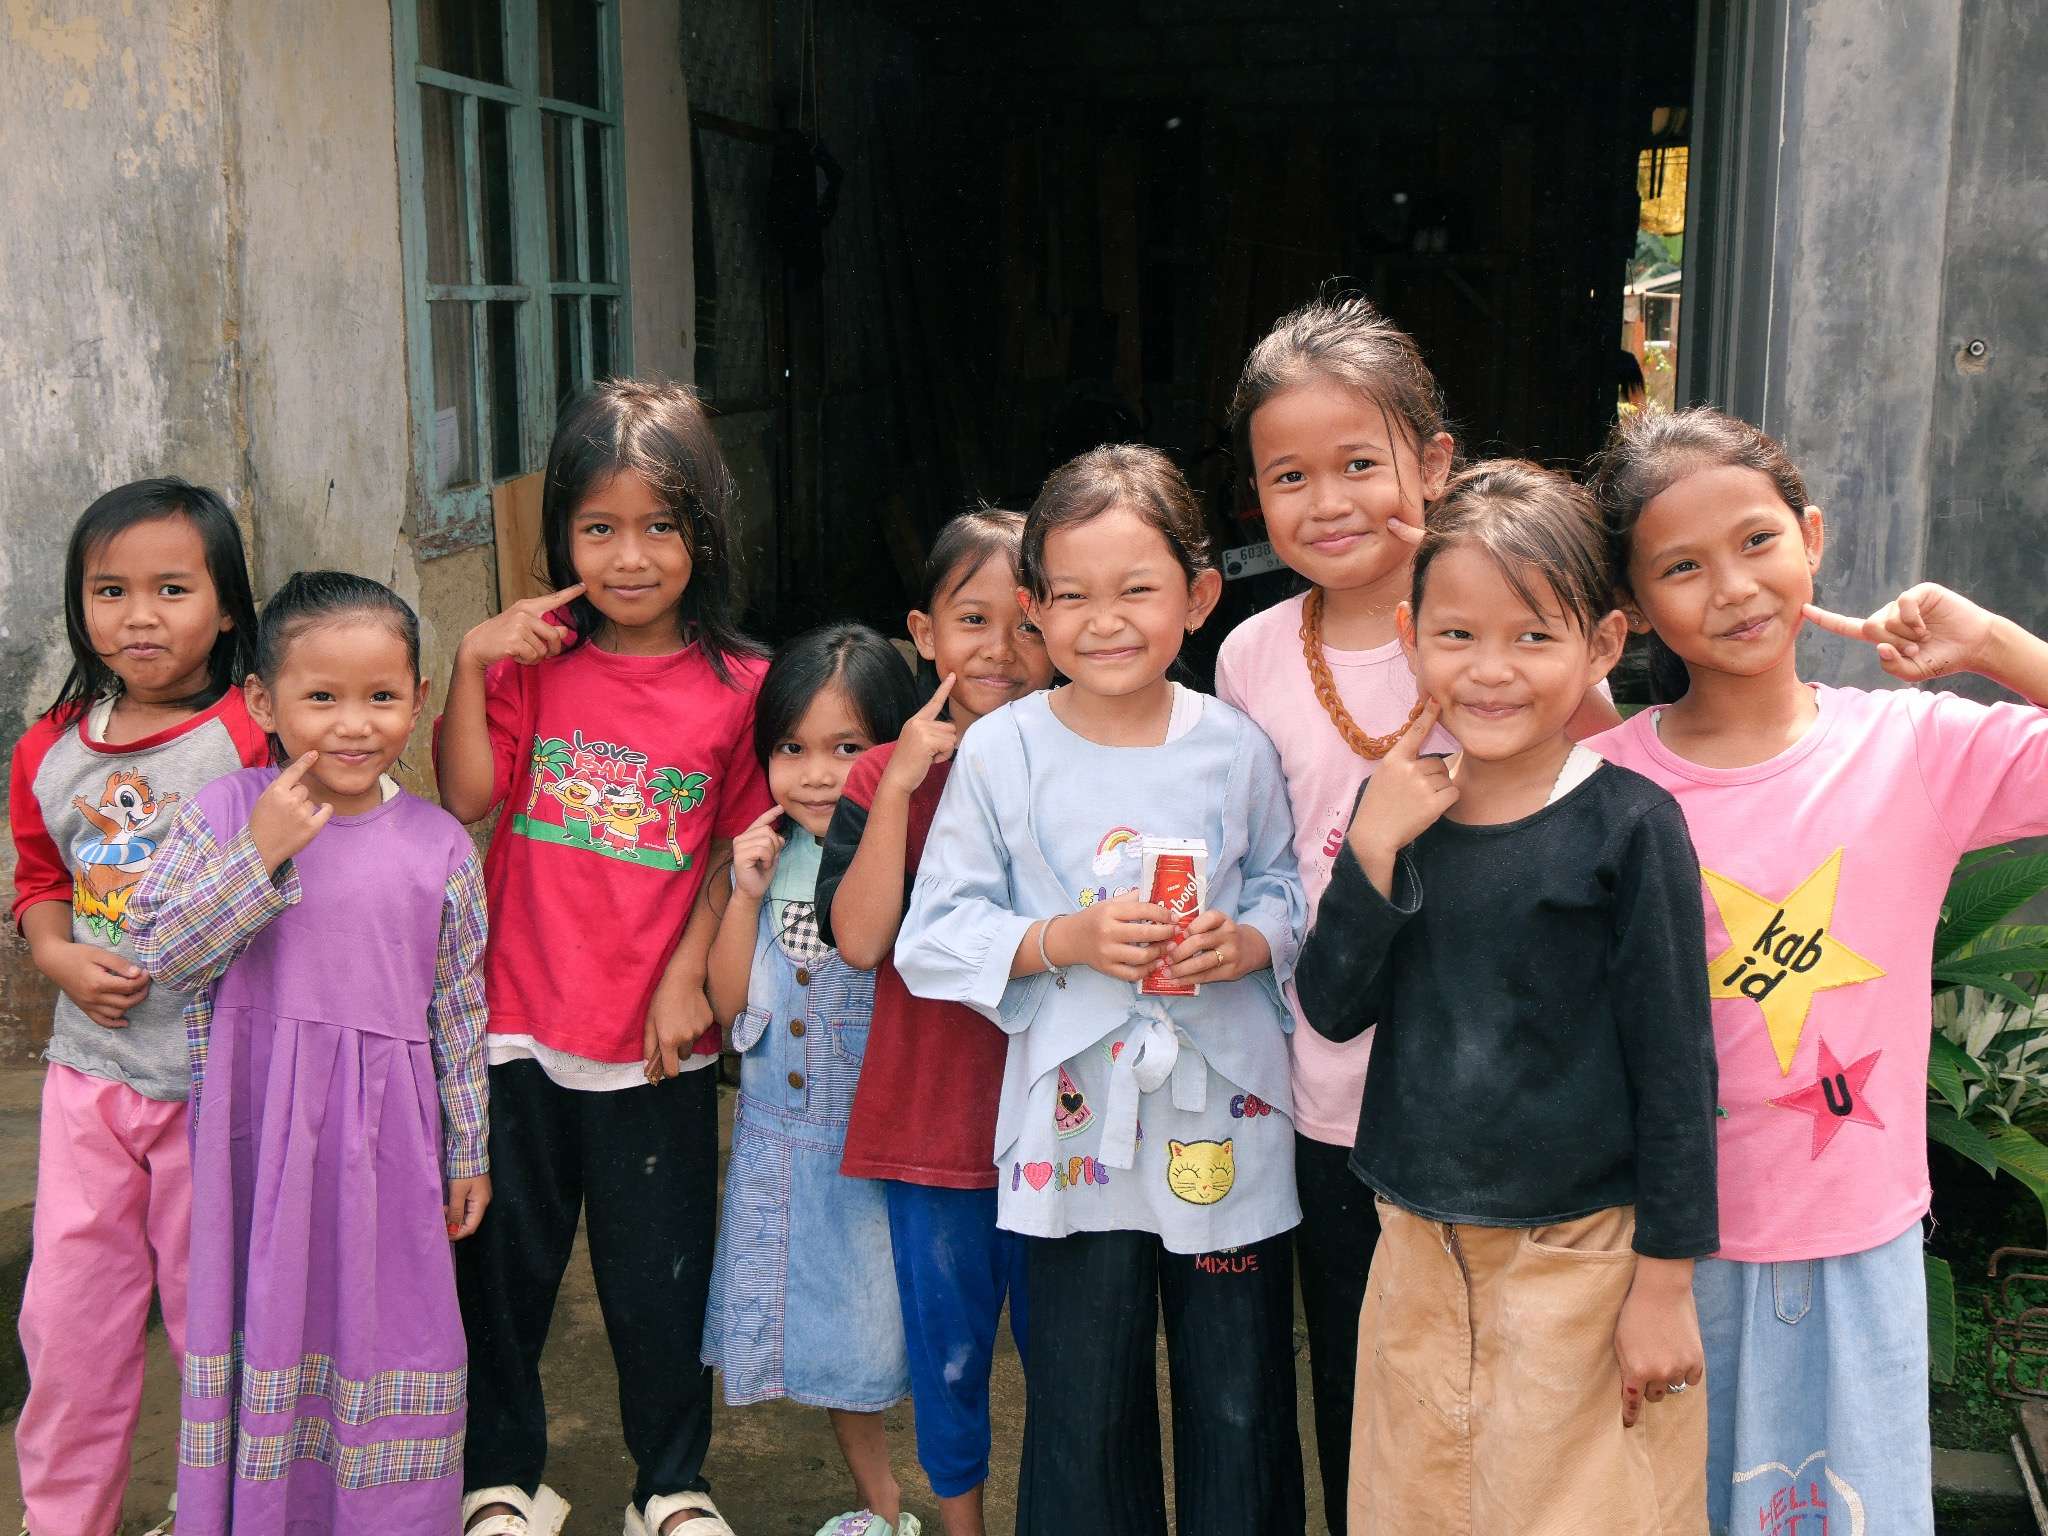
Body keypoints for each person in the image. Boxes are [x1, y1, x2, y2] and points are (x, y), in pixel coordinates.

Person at [1588, 407, 2048, 1536]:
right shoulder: (1597, 783)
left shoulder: (1914, 748)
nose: (1733, 587)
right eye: (1680, 568)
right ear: (1637, 607)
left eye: (1755, 541)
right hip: (1654, 1258)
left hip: (1855, 1244)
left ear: (1812, 535)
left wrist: (1988, 640)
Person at [1213, 294, 1618, 1528]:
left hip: (1499, 1081)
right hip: (1327, 1082)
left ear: (1433, 465)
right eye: (1288, 475)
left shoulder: (1502, 635)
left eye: (1356, 463)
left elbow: (1606, 790)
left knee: (1515, 1389)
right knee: (1362, 1376)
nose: (1325, 502)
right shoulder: (1246, 655)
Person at [1295, 460, 1719, 1535]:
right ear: (1409, 634)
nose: (1491, 671)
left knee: (1573, 1510)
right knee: (1414, 1501)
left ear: (1602, 646)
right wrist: (1373, 846)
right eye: (1457, 635)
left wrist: (1662, 1286)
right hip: (1417, 1243)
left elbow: (1675, 1067)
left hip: (1577, 1259)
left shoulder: (1628, 825)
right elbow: (1331, 1007)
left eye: (1533, 637)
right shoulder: (1396, 809)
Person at [896, 445, 1308, 1535]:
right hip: (1068, 1126)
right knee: (1081, 1397)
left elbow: (1284, 884)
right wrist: (1059, 939)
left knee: (1236, 1391)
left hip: (1220, 1116)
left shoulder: (1231, 747)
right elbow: (931, 934)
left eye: (1137, 590)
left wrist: (1250, 943)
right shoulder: (1003, 755)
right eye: (1070, 596)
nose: (1104, 620)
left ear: (1198, 597)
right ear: (1033, 610)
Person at [437, 380, 771, 1536]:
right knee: (503, 1273)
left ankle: (670, 1486)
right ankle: (502, 1480)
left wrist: (687, 973)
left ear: (704, 534)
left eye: (659, 527)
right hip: (515, 1020)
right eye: (599, 528)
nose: (629, 557)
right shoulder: (531, 662)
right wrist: (470, 661)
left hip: (649, 1040)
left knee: (658, 1282)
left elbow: (742, 845)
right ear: (560, 537)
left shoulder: (742, 688)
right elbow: (468, 795)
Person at [127, 572, 489, 1534]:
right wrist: (261, 851)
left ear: (419, 701)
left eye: (381, 696)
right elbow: (164, 955)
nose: (353, 724)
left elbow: (458, 1013)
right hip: (257, 1137)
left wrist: (470, 1151)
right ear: (263, 704)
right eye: (320, 697)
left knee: (384, 1326)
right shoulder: (221, 812)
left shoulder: (441, 846)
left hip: (390, 1149)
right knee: (266, 1321)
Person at [8, 478, 265, 1536]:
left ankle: (221, 1515)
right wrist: (58, 957)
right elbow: (38, 884)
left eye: (171, 587)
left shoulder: (256, 734)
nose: (139, 615)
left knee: (220, 1330)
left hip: (217, 1087)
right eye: (109, 590)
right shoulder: (51, 747)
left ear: (229, 606)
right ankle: (66, 1520)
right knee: (68, 1330)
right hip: (89, 1084)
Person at [816, 510, 1056, 1536]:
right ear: (922, 631)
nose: (998, 649)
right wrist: (906, 780)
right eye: (971, 619)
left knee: (1066, 1359)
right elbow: (860, 943)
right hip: (931, 1124)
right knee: (947, 1355)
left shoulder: (1087, 763)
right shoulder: (880, 777)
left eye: (1024, 622)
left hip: (1061, 1125)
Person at [702, 623, 923, 1536]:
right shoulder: (762, 857)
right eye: (792, 749)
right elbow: (725, 1006)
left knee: (891, 1331)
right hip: (782, 1143)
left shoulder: (905, 854)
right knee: (831, 1340)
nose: (818, 774)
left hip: (872, 1147)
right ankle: (881, 1505)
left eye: (847, 748)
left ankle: (939, 1500)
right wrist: (745, 892)